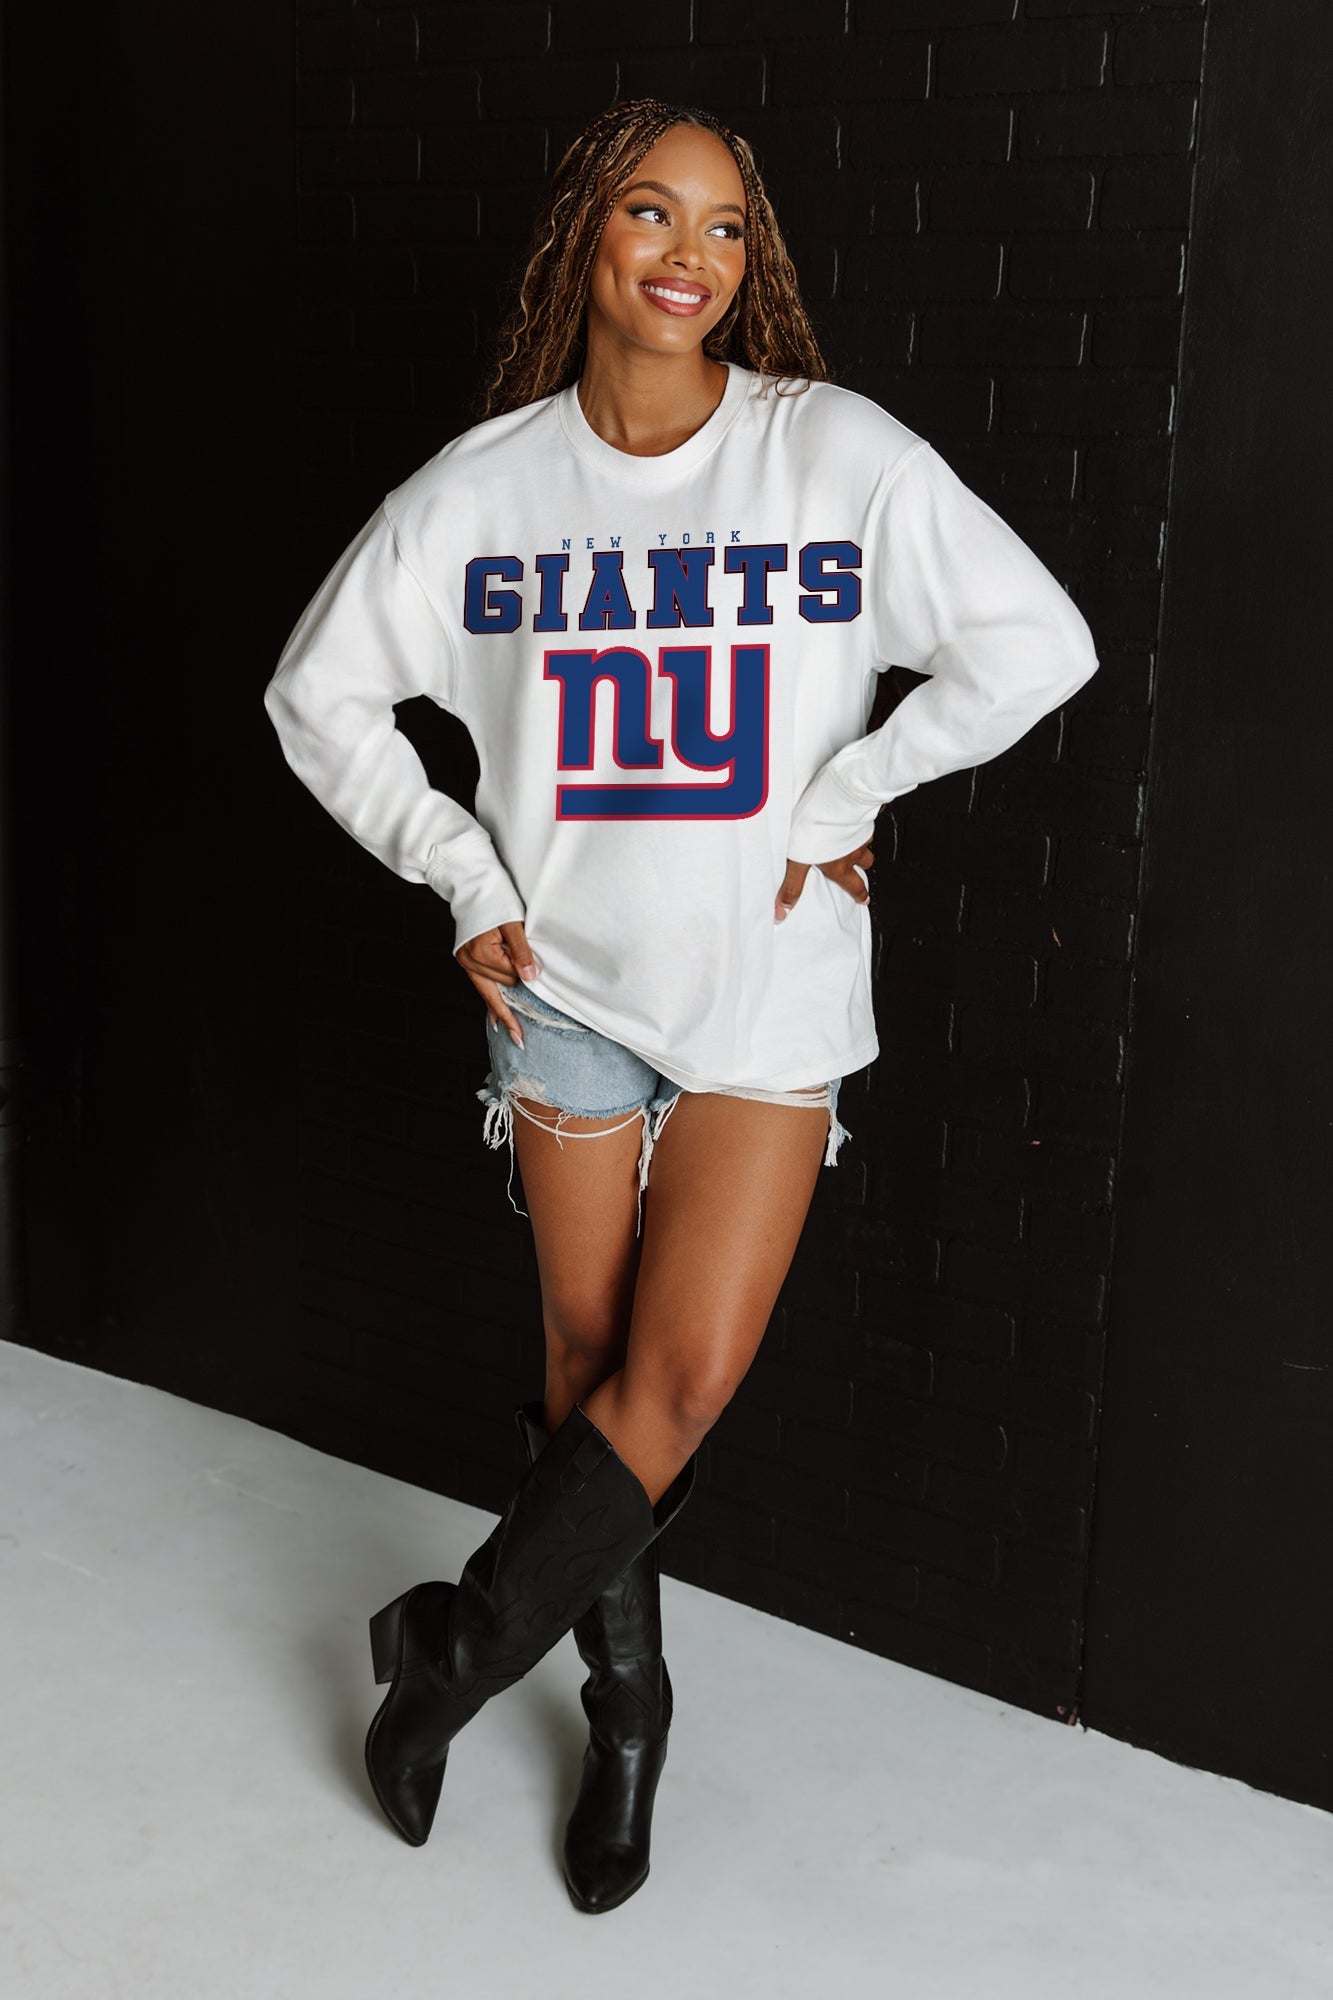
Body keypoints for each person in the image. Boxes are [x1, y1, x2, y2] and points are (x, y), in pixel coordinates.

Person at [262, 96, 1099, 1912]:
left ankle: (450, 1656)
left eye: (724, 227)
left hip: (765, 997)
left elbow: (1040, 640)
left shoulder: (828, 454)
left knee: (682, 1377)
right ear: (588, 229)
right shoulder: (481, 489)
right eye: (651, 212)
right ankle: (626, 1710)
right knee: (587, 1379)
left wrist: (853, 788)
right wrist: (461, 872)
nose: (688, 256)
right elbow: (314, 696)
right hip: (563, 989)